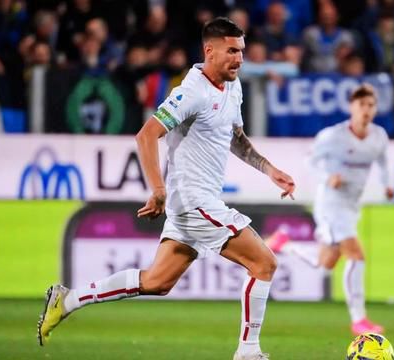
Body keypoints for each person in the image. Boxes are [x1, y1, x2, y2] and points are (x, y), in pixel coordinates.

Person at [37, 18, 296, 360]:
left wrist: (269, 169)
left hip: (197, 202)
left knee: (158, 282)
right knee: (264, 263)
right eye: (232, 51)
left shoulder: (233, 86)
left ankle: (67, 300)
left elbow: (234, 137)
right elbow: (146, 135)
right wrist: (157, 188)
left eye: (242, 51)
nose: (239, 59)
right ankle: (248, 351)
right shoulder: (191, 91)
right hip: (193, 201)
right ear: (210, 51)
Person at [267, 84, 394, 336]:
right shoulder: (333, 136)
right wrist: (327, 178)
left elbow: (383, 161)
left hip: (351, 205)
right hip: (330, 203)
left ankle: (284, 243)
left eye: (371, 105)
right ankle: (359, 319)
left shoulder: (379, 136)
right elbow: (310, 161)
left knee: (325, 263)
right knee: (356, 255)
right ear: (352, 107)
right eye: (361, 105)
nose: (366, 110)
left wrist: (388, 185)